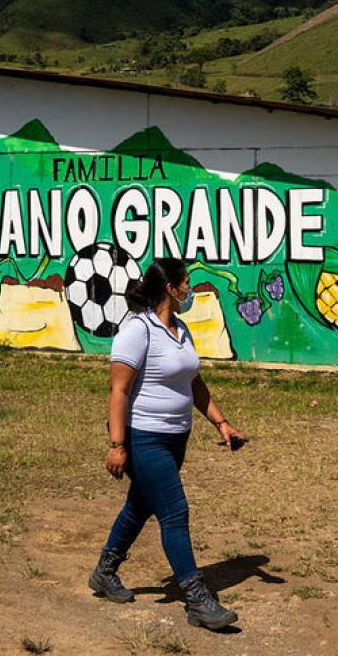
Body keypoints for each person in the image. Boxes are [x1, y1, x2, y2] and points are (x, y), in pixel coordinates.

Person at [87, 258, 247, 630]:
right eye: (186, 283)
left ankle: (104, 571)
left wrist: (222, 424)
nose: (190, 289)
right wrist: (117, 444)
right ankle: (196, 598)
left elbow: (194, 384)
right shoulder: (137, 331)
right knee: (175, 511)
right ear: (170, 289)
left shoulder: (182, 330)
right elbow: (118, 389)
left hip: (177, 437)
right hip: (145, 437)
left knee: (141, 505)